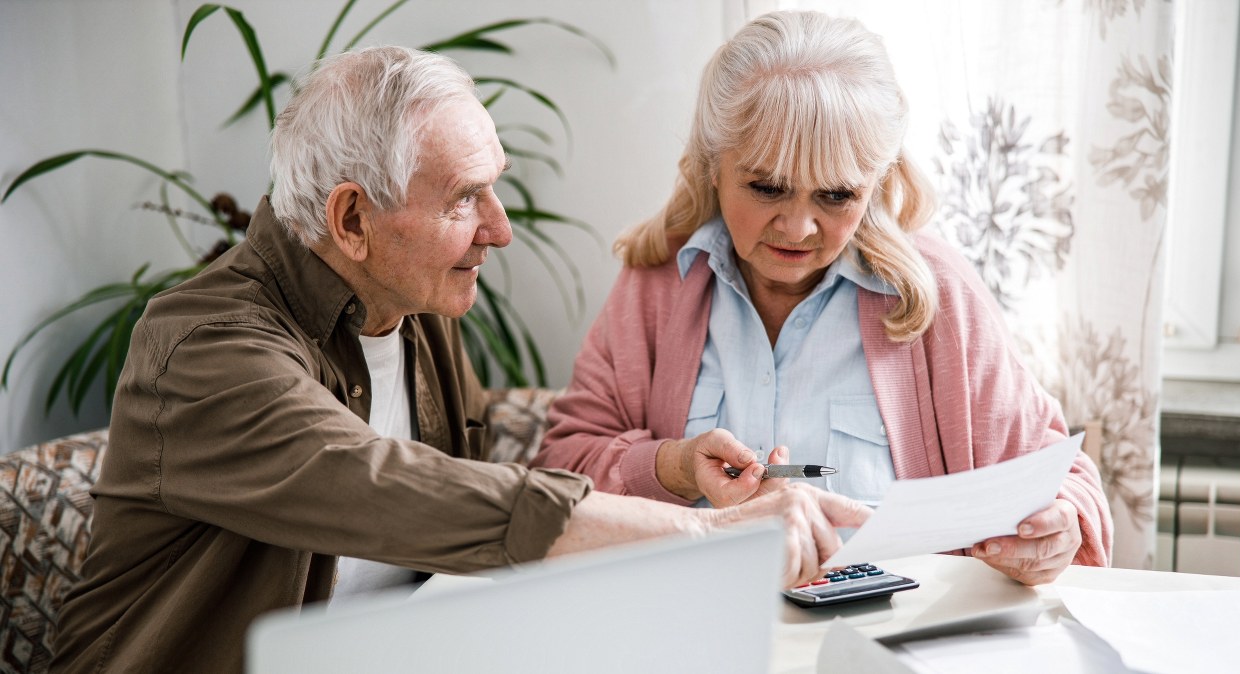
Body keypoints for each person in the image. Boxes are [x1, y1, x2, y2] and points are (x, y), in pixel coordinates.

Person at [51, 46, 872, 673]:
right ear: (351, 220)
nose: (500, 228)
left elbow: (466, 524)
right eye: (462, 199)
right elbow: (401, 490)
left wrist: (674, 479)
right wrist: (708, 533)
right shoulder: (206, 350)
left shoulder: (414, 305)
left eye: (494, 187)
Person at [532, 10, 1113, 586]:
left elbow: (1060, 477)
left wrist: (1057, 526)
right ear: (713, 166)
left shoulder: (936, 294)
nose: (799, 229)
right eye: (767, 188)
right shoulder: (658, 284)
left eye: (836, 195)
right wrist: (675, 466)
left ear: (877, 184)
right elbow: (558, 474)